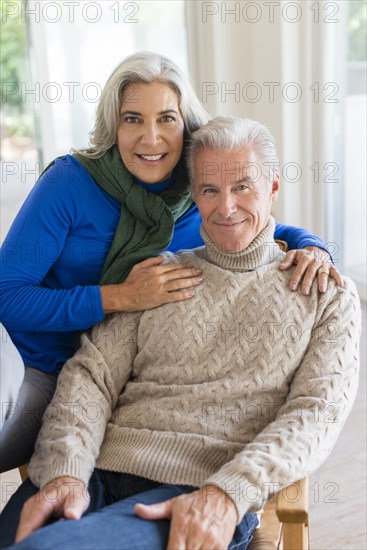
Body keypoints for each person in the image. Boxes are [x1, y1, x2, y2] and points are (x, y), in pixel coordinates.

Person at [0, 116, 360, 550]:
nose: (225, 207)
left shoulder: (324, 293)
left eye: (243, 187)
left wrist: (228, 494)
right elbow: (89, 378)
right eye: (210, 190)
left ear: (274, 187)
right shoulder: (160, 274)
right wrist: (65, 470)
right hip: (94, 470)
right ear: (194, 194)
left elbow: (317, 411)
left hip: (198, 491)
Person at [0, 52, 342, 472]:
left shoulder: (200, 191)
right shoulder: (70, 182)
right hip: (35, 363)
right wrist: (118, 297)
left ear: (186, 124)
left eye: (166, 118)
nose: (151, 138)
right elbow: (7, 295)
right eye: (132, 119)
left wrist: (315, 247)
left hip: (113, 377)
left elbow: (259, 221)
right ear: (114, 124)